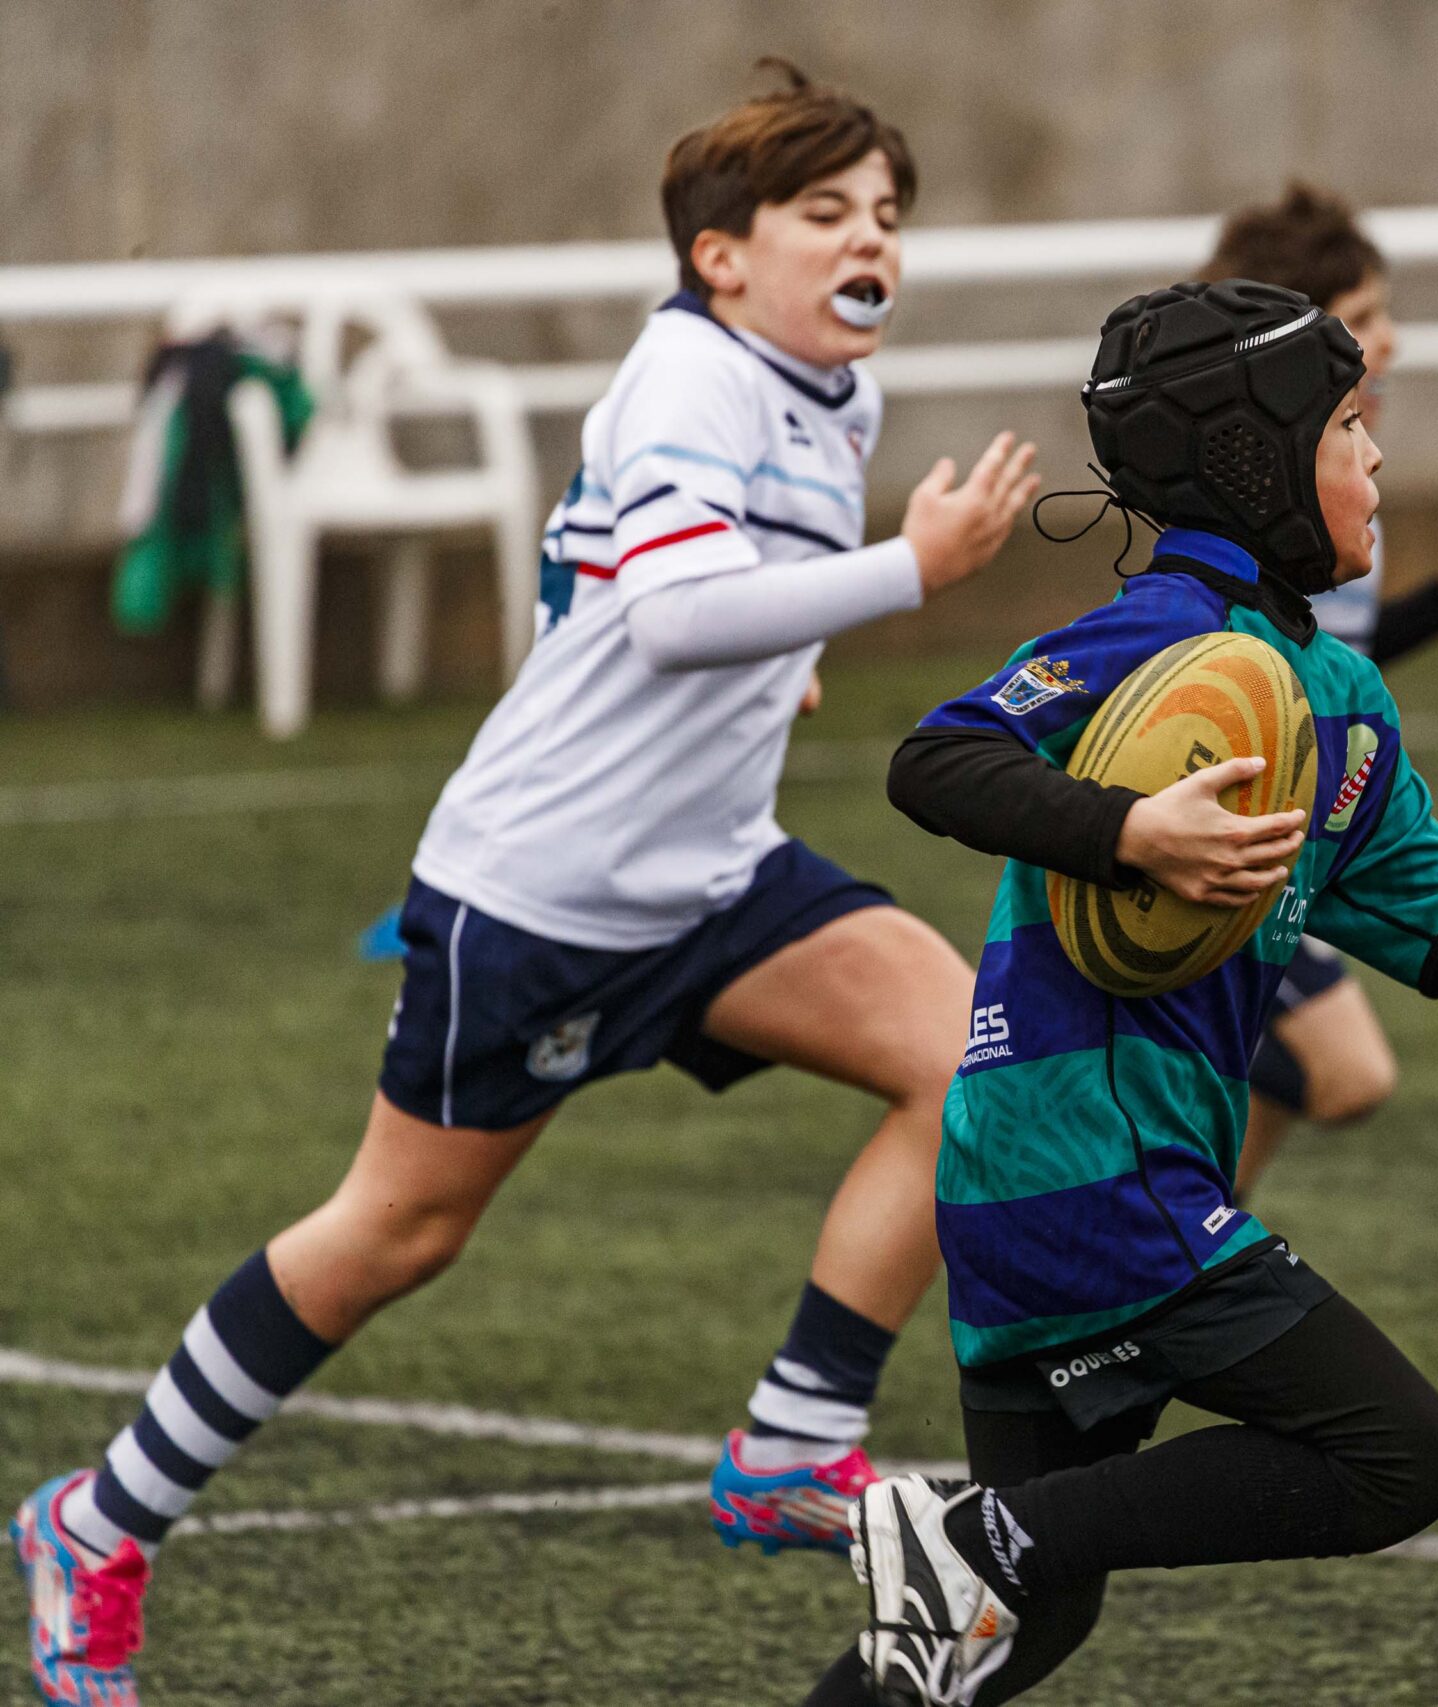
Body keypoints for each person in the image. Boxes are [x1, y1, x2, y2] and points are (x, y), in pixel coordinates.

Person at [12, 63, 1039, 1705]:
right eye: (827, 213)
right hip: (549, 895)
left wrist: (803, 642)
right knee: (400, 1228)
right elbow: (670, 614)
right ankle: (98, 1518)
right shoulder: (690, 377)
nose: (872, 245)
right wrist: (910, 571)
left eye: (889, 216)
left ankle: (795, 1439)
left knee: (979, 1053)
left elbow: (668, 592)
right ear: (722, 254)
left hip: (716, 879)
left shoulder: (819, 388)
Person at [812, 279, 1438, 1705]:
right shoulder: (1168, 638)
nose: (1379, 458)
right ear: (1260, 462)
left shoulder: (1339, 695)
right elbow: (936, 758)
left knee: (1033, 1613)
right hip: (1089, 1159)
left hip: (1039, 1177)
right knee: (1398, 1450)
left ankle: (974, 1542)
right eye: (1351, 424)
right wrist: (1129, 830)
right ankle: (966, 1519)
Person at [1197, 185, 1438, 1195]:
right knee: (1343, 1072)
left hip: (1302, 822)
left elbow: (1330, 660)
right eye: (1368, 315)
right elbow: (1228, 668)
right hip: (1241, 824)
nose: (1391, 339)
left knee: (1326, 1080)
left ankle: (1188, 1241)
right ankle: (1170, 1230)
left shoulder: (1344, 447)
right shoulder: (1265, 477)